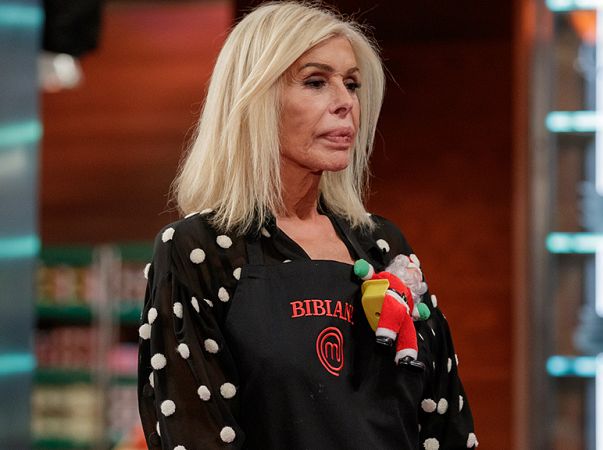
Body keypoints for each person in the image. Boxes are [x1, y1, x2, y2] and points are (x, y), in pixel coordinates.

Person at [137, 2, 477, 449]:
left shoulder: (382, 246)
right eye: (316, 82)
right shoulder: (198, 250)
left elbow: (444, 421)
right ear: (255, 98)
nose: (345, 102)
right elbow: (196, 434)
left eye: (351, 84)